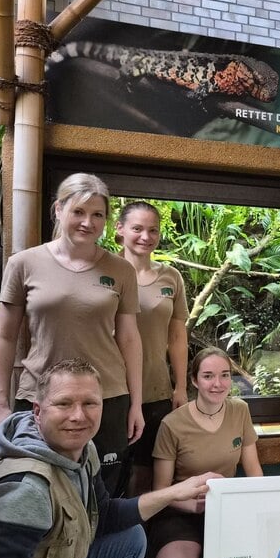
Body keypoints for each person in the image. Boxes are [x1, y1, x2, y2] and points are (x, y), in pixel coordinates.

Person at [0, 359, 214, 558]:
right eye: (64, 403)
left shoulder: (83, 451)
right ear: (37, 411)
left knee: (131, 538)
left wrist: (174, 492)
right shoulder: (26, 490)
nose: (78, 416)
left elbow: (103, 516)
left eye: (90, 403)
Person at [0, 173, 144, 496]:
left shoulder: (121, 271)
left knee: (103, 496)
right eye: (78, 212)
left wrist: (136, 403)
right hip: (39, 397)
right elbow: (4, 337)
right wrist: (1, 404)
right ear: (59, 210)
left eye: (97, 214)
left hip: (106, 399)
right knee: (34, 492)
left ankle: (102, 550)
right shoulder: (23, 264)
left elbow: (129, 339)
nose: (87, 222)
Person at [150, 347, 264, 558]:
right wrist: (193, 506)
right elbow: (160, 492)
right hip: (181, 512)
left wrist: (260, 510)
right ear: (194, 380)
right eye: (208, 376)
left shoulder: (240, 411)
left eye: (225, 375)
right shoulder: (172, 424)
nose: (218, 384)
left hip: (227, 511)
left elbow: (254, 471)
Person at [116, 200, 189, 496]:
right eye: (137, 229)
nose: (146, 237)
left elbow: (177, 337)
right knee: (111, 471)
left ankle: (144, 539)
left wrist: (180, 387)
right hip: (112, 391)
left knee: (148, 473)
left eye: (153, 230)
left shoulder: (171, 277)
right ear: (119, 229)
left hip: (156, 390)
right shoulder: (105, 272)